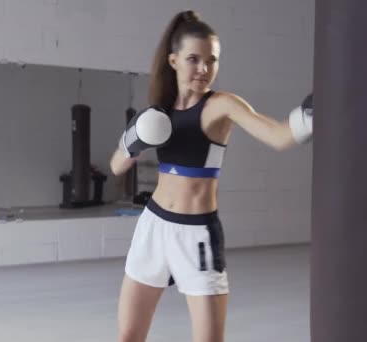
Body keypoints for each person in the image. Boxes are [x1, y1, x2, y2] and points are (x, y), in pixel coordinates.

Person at [109, 10, 313, 342]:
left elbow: (278, 135)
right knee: (129, 336)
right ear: (173, 61)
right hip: (153, 227)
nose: (204, 69)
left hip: (197, 236)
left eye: (212, 60)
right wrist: (133, 141)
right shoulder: (160, 112)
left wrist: (312, 116)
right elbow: (116, 166)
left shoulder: (222, 105)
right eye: (194, 59)